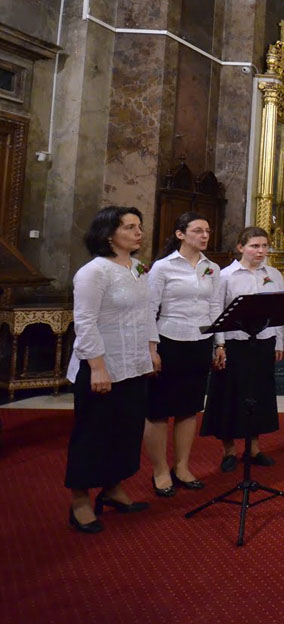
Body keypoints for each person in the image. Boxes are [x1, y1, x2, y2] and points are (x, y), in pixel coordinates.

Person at [66, 207, 158, 533]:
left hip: (133, 363)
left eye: (139, 227)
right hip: (101, 365)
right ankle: (79, 500)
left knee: (126, 430)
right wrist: (98, 367)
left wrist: (151, 348)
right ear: (109, 235)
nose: (139, 232)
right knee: (94, 432)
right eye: (130, 227)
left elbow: (146, 312)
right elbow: (85, 322)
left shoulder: (137, 268)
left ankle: (114, 488)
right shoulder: (94, 272)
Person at [144, 212, 220, 497]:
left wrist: (219, 344)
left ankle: (182, 466)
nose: (204, 236)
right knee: (159, 410)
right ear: (180, 234)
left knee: (189, 408)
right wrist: (151, 349)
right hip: (168, 340)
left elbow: (215, 309)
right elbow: (150, 309)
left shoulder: (212, 267)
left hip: (200, 341)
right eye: (198, 230)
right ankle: (160, 470)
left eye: (207, 231)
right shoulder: (163, 268)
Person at [202, 226, 284, 472]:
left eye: (264, 246)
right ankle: (229, 450)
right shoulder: (226, 275)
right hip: (235, 342)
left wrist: (279, 341)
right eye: (254, 246)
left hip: (263, 340)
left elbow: (279, 311)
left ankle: (254, 448)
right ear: (241, 247)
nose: (260, 251)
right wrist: (220, 344)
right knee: (231, 394)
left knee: (259, 393)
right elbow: (217, 310)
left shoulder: (274, 274)